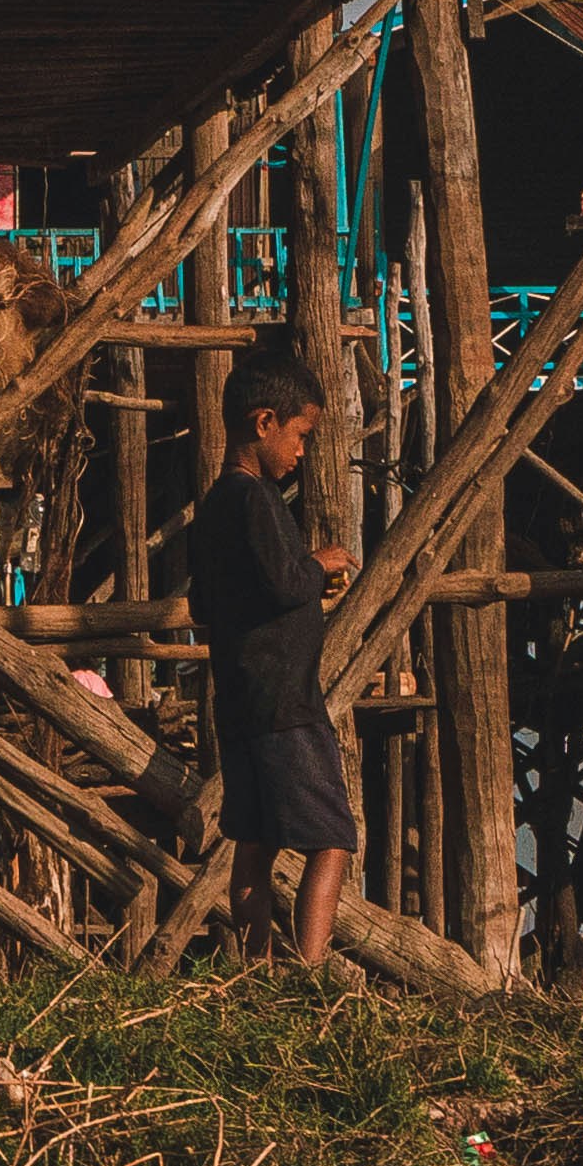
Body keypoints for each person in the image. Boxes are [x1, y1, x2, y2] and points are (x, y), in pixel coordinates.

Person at [192, 354, 362, 969]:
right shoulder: (255, 498)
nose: (301, 452)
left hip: (236, 701)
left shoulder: (212, 505)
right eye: (301, 435)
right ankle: (309, 973)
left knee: (254, 841)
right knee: (334, 839)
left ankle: (258, 970)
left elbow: (205, 600)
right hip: (285, 702)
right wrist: (322, 564)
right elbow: (286, 582)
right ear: (265, 422)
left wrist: (300, 583)